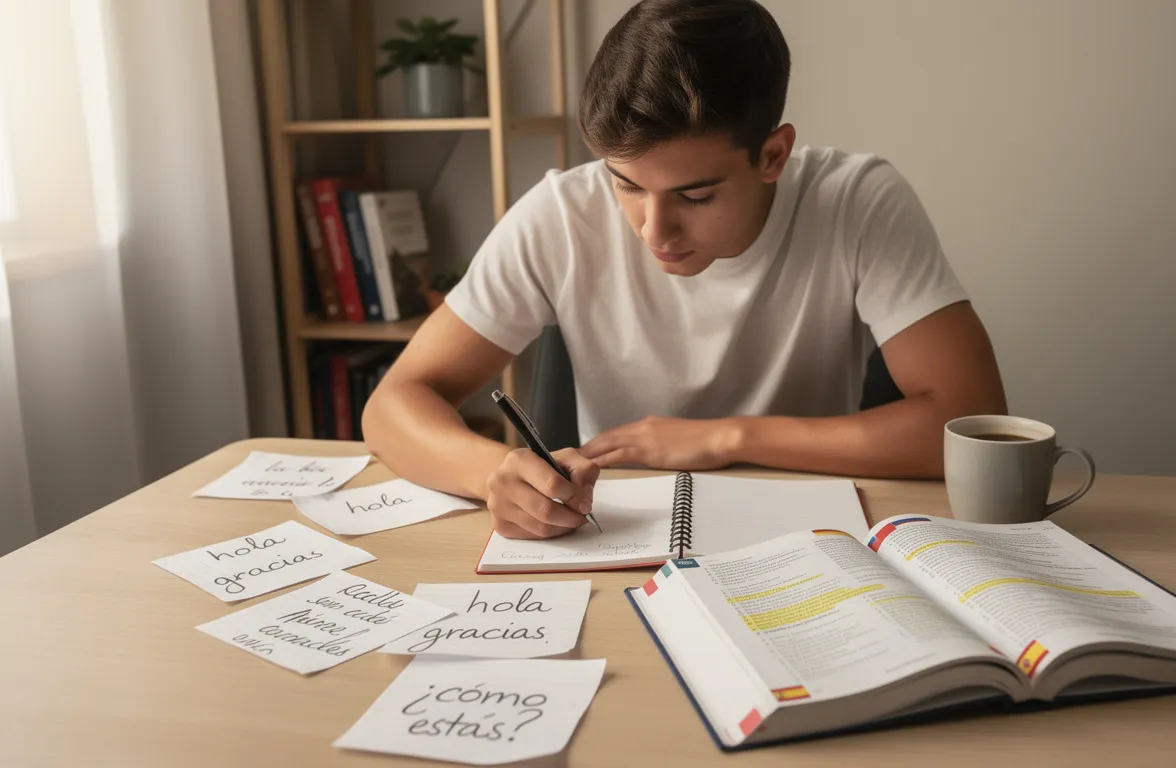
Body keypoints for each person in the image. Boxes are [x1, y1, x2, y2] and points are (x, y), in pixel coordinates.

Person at [362, 0, 1007, 540]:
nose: (652, 230)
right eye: (627, 185)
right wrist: (491, 473)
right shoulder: (561, 214)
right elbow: (393, 405)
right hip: (614, 543)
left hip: (806, 540)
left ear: (773, 155)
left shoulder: (857, 202)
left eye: (695, 196)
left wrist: (726, 438)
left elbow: (969, 420)